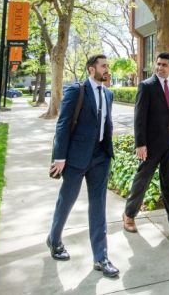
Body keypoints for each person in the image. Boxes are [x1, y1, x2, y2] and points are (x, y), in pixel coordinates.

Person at [47, 54, 119, 278]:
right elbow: (63, 124)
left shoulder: (108, 93)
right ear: (91, 69)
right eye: (103, 66)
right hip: (76, 158)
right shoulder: (76, 91)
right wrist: (60, 156)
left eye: (107, 66)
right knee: (66, 200)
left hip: (100, 158)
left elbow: (106, 124)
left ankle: (101, 257)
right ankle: (55, 239)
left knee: (98, 206)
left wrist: (107, 152)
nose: (107, 69)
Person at [121, 52, 169, 239]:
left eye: (164, 64)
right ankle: (129, 215)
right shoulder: (146, 86)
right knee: (142, 181)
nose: (160, 67)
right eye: (158, 64)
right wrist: (140, 144)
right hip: (151, 145)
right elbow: (139, 117)